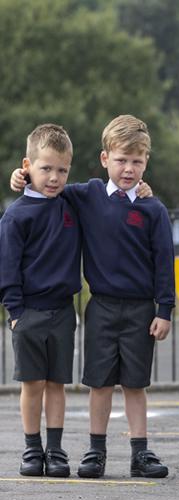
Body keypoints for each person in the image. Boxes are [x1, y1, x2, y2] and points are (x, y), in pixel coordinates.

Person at [12, 115, 174, 479]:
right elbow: (45, 185)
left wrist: (164, 309)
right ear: (105, 160)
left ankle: (140, 454)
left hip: (141, 310)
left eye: (136, 161)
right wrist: (20, 178)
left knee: (135, 384)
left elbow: (165, 263)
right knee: (99, 383)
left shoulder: (153, 210)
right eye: (121, 160)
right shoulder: (83, 194)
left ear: (146, 162)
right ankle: (95, 452)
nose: (128, 169)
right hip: (99, 306)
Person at [1, 124, 81, 477]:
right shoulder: (16, 215)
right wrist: (15, 312)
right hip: (28, 312)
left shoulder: (71, 204)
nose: (54, 177)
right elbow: (8, 266)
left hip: (63, 311)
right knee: (32, 384)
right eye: (45, 168)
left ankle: (56, 450)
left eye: (62, 170)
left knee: (56, 384)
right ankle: (32, 449)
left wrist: (142, 188)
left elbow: (107, 191)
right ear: (27, 166)